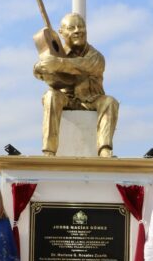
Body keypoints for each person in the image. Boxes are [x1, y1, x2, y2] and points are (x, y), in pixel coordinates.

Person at [33, 12, 119, 157]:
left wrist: (58, 64)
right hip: (66, 99)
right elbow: (40, 70)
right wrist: (40, 68)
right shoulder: (57, 53)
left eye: (81, 27)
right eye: (71, 28)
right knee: (50, 96)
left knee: (110, 102)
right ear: (61, 32)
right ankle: (49, 150)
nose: (78, 31)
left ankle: (104, 149)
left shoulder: (96, 56)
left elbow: (82, 65)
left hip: (92, 99)